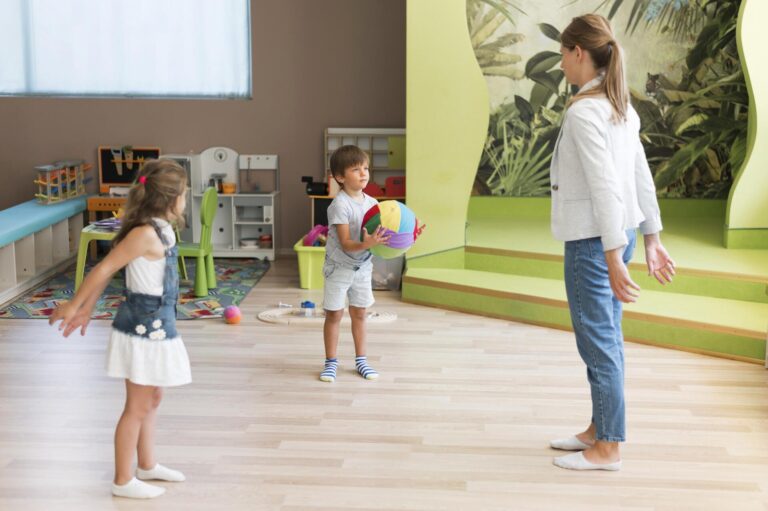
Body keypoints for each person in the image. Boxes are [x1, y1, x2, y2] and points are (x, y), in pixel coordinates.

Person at [548, 14, 676, 471]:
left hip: (594, 242)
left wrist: (611, 255)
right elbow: (641, 177)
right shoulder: (619, 106)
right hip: (617, 236)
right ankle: (599, 428)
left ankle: (608, 448)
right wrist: (650, 238)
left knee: (598, 343)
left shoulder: (585, 112)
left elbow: (605, 186)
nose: (561, 64)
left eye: (563, 54)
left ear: (578, 52)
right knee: (606, 340)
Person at [49, 159, 191, 497]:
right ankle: (122, 480)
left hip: (159, 326)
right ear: (170, 198)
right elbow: (104, 269)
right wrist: (76, 307)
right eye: (185, 194)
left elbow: (111, 270)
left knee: (153, 397)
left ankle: (147, 464)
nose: (186, 200)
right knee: (136, 407)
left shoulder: (162, 230)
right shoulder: (144, 234)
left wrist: (89, 309)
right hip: (141, 331)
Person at [319, 145, 389, 382]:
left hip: (362, 267)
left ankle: (361, 361)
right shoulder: (340, 205)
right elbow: (347, 243)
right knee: (334, 315)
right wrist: (368, 243)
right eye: (356, 169)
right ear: (340, 177)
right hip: (338, 268)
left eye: (366, 168)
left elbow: (381, 234)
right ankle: (331, 363)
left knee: (360, 313)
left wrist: (407, 234)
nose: (364, 173)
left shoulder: (373, 203)